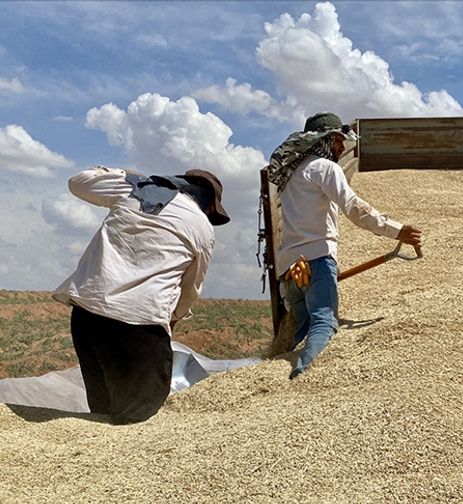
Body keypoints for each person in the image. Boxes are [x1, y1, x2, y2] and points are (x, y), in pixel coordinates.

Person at [53, 166, 230, 424]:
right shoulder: (202, 226)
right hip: (138, 326)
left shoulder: (135, 192)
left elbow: (78, 183)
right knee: (138, 419)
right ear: (210, 206)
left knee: (102, 410)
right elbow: (191, 287)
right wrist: (174, 318)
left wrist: (128, 174)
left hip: (87, 316)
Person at [267, 112, 423, 380]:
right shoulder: (326, 169)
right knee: (325, 323)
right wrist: (397, 230)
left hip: (289, 271)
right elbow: (353, 208)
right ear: (325, 140)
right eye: (338, 141)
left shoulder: (291, 176)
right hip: (316, 262)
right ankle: (302, 377)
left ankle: (275, 371)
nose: (341, 148)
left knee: (303, 327)